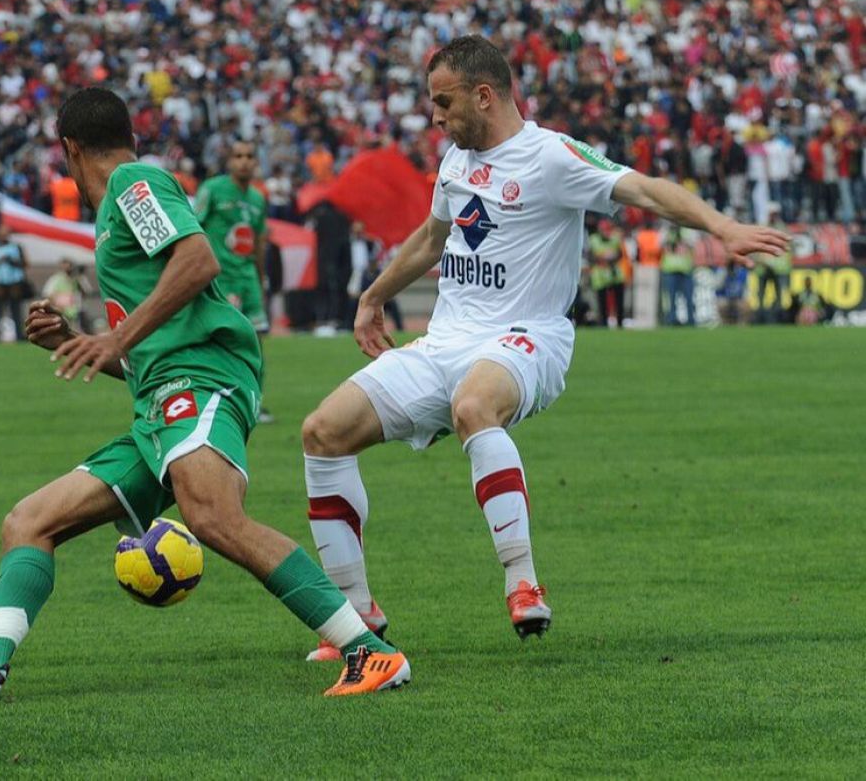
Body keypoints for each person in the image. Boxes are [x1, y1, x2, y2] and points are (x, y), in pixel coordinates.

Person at [0, 87, 409, 702]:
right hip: (160, 400)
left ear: (69, 149)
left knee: (214, 517)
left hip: (202, 381)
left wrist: (113, 337)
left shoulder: (132, 185)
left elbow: (197, 260)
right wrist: (80, 340)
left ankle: (369, 653)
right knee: (29, 522)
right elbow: (150, 353)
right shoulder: (119, 206)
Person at [297, 35, 789, 663]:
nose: (436, 117)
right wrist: (372, 296)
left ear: (484, 95)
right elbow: (431, 238)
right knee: (322, 431)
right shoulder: (455, 161)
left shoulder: (551, 156)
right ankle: (356, 617)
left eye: (444, 103)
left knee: (475, 405)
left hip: (527, 336)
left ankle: (522, 579)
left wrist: (722, 227)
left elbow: (643, 189)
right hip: (447, 339)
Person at [194, 139, 275, 424]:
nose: (243, 161)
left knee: (256, 342)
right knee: (223, 342)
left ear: (256, 162)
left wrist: (262, 280)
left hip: (248, 280)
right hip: (220, 280)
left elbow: (259, 242)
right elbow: (193, 228)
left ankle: (255, 402)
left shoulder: (257, 198)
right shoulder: (212, 190)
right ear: (229, 161)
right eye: (238, 155)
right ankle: (220, 399)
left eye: (249, 156)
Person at [0, 225, 29, 341]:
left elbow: (25, 263)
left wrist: (11, 261)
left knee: (16, 311)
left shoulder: (16, 247)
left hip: (14, 282)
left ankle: (19, 337)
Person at [588, 217, 626, 328]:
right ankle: (603, 324)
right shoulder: (593, 239)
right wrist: (602, 258)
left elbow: (620, 255)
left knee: (619, 300)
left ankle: (620, 323)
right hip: (600, 275)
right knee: (602, 302)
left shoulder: (615, 238)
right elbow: (590, 257)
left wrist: (612, 258)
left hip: (614, 273)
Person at [42, 257, 91, 332]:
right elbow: (47, 294)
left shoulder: (78, 278)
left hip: (77, 310)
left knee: (77, 332)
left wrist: (78, 280)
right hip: (61, 310)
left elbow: (86, 292)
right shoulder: (55, 279)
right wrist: (56, 306)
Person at [660, 227, 696, 327]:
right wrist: (669, 236)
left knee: (689, 298)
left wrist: (682, 238)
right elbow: (659, 244)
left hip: (685, 270)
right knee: (670, 299)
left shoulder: (687, 231)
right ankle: (671, 320)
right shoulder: (666, 232)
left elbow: (693, 245)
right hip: (670, 270)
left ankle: (691, 320)